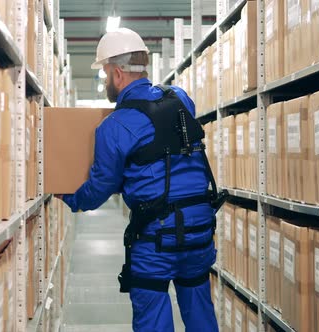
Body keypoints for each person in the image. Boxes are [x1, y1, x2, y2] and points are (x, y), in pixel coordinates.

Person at [57, 27, 223, 332]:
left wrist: (67, 196)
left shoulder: (114, 126)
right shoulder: (182, 99)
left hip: (156, 237)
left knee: (153, 319)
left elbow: (100, 187)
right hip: (200, 229)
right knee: (201, 313)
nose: (106, 80)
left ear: (118, 74)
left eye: (106, 74)